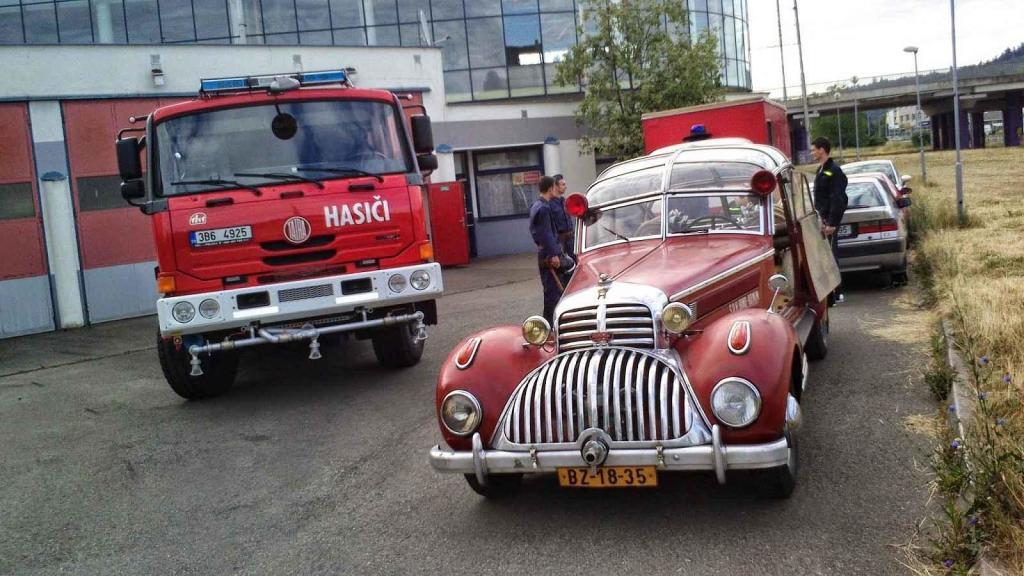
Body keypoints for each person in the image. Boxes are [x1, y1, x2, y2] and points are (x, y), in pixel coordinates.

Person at [811, 136, 849, 304]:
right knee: (824, 257)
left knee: (831, 257)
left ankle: (837, 292)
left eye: (814, 149)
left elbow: (838, 199)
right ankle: (829, 294)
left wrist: (833, 223)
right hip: (821, 220)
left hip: (828, 222)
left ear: (822, 150)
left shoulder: (834, 171)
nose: (812, 152)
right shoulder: (820, 170)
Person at [530, 176, 566, 324]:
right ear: (551, 188)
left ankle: (549, 323)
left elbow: (536, 232)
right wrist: (554, 254)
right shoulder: (544, 208)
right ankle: (549, 325)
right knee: (553, 292)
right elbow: (546, 233)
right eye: (554, 187)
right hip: (548, 255)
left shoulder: (536, 205)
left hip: (543, 251)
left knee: (551, 291)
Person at [550, 174, 575, 261]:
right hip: (561, 241)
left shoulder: (564, 201)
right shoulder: (550, 204)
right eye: (563, 184)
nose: (566, 187)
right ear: (556, 186)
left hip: (571, 239)